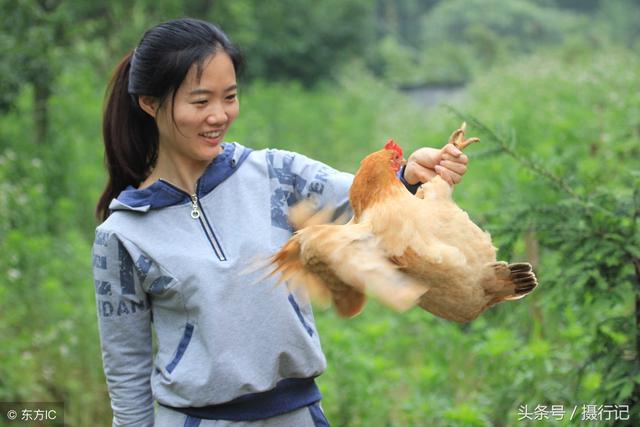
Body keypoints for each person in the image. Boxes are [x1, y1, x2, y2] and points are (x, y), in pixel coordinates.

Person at [92, 18, 468, 427]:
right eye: (200, 102)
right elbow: (127, 376)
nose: (219, 115)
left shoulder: (275, 174)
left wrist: (410, 174)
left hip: (297, 416)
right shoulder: (124, 235)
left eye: (229, 97)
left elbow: (364, 203)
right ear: (150, 103)